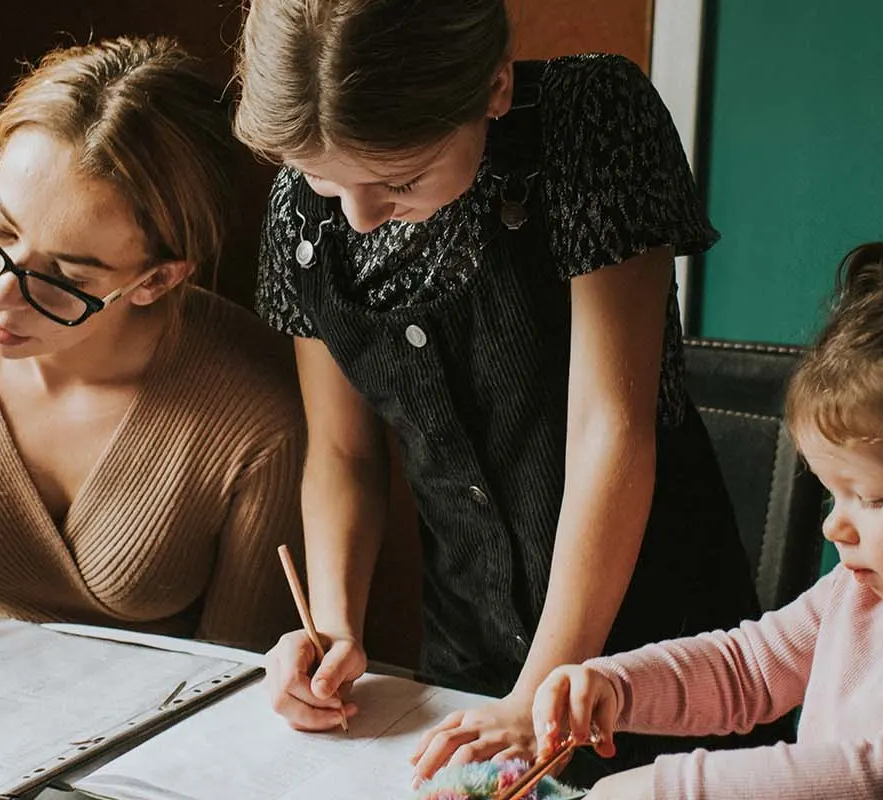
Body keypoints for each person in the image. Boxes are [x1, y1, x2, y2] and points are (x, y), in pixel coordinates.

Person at [232, 0, 761, 779]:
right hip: (469, 647)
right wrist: (334, 628)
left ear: (495, 86)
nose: (359, 215)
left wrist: (540, 691)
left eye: (400, 178)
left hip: (654, 648)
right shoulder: (300, 214)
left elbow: (611, 429)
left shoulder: (589, 120)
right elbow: (343, 454)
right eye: (318, 178)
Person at [525, 241, 883, 799]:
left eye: (871, 498)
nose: (836, 526)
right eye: (834, 495)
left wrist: (671, 787)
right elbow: (746, 669)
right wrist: (615, 686)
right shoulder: (861, 591)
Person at [0, 37, 304, 672]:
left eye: (65, 279)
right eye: (0, 229)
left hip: (158, 755)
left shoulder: (260, 406)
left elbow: (240, 670)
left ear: (156, 280)